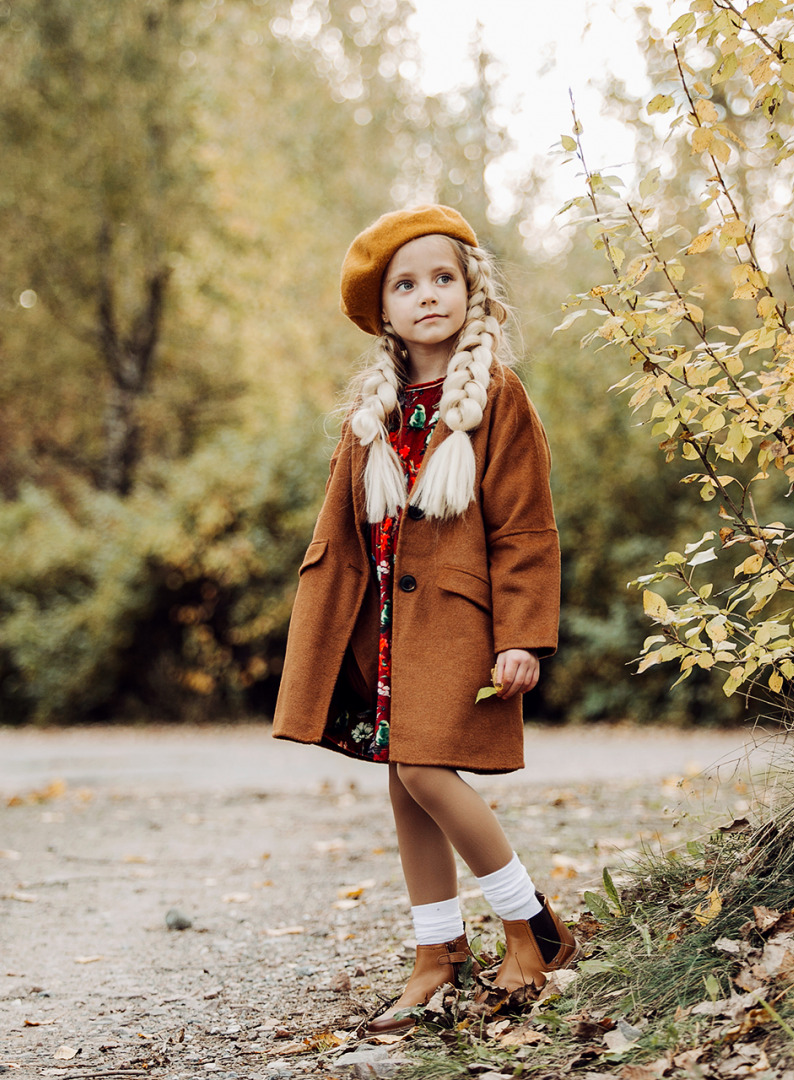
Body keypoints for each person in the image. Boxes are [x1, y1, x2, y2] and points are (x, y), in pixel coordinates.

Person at [272, 205, 575, 1032]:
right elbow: (339, 532)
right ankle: (436, 952)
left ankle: (532, 926)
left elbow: (524, 528)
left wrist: (520, 635)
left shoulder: (497, 398)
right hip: (384, 632)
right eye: (406, 285)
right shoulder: (374, 410)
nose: (427, 296)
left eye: (443, 278)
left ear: (470, 290)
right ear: (385, 312)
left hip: (459, 627)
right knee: (404, 783)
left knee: (427, 773)